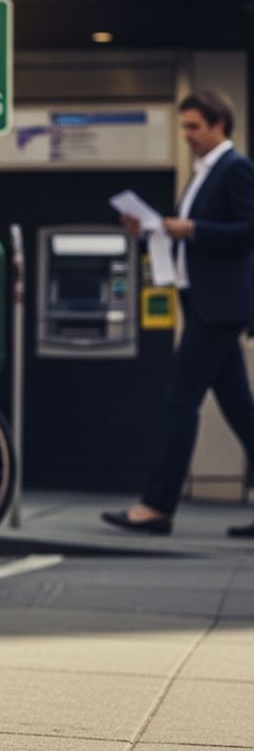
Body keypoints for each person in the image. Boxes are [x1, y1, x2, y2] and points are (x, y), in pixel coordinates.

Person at [102, 89, 254, 538]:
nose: (186, 135)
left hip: (218, 307)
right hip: (204, 303)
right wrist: (148, 230)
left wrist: (193, 229)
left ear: (219, 125)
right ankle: (158, 505)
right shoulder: (204, 173)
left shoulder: (235, 168)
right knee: (240, 410)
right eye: (184, 126)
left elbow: (249, 230)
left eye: (194, 127)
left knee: (181, 400)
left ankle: (157, 506)